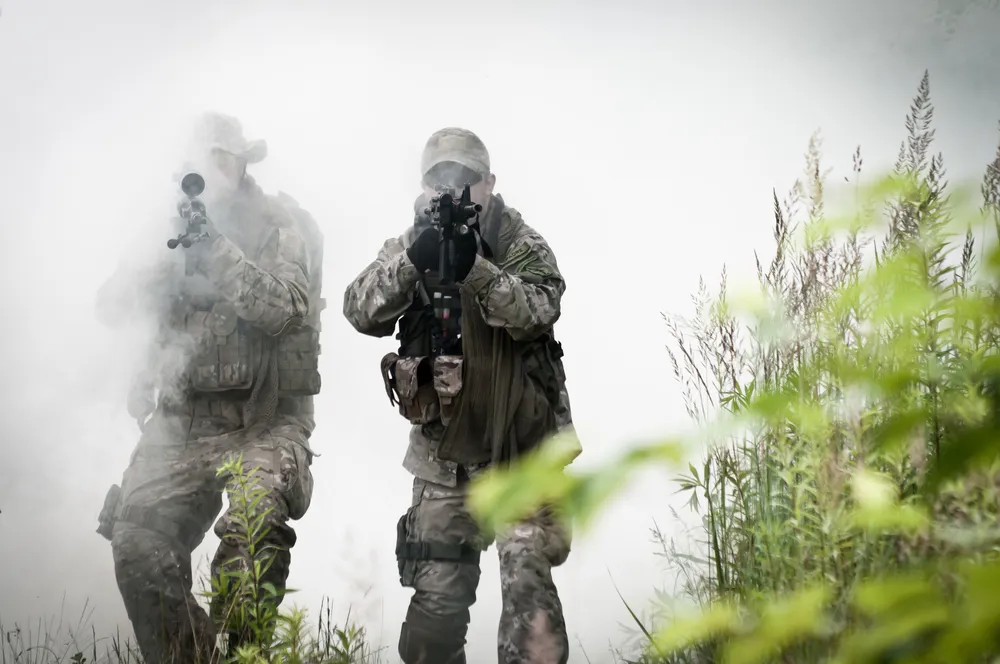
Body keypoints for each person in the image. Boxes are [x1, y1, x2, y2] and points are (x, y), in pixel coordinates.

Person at [94, 111, 325, 664]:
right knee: (137, 546)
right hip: (183, 421)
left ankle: (247, 657)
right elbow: (110, 305)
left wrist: (214, 249)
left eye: (223, 158)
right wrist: (158, 255)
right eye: (204, 159)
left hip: (263, 420)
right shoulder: (170, 224)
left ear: (243, 163)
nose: (214, 170)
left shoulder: (280, 225)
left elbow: (285, 309)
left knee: (252, 536)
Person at [343, 127, 579, 664]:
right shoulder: (409, 241)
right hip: (443, 460)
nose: (453, 191)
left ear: (490, 183)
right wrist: (412, 262)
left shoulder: (520, 241)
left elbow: (539, 309)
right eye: (440, 180)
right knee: (434, 618)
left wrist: (477, 269)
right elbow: (358, 309)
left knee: (527, 599)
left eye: (466, 180)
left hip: (518, 453)